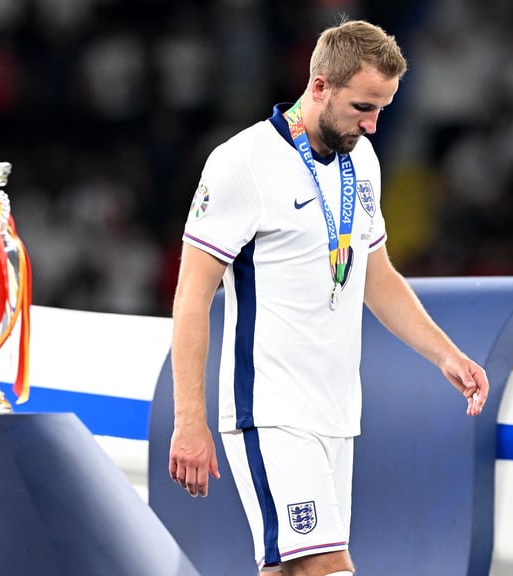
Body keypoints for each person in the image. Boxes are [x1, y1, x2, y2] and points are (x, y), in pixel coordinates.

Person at [167, 18, 490, 576]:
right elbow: (192, 295)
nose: (372, 125)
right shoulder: (242, 163)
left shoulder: (362, 160)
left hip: (337, 412)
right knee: (326, 567)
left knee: (287, 569)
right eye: (363, 107)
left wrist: (446, 354)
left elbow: (375, 274)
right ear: (319, 86)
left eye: (382, 109)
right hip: (270, 409)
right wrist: (189, 419)